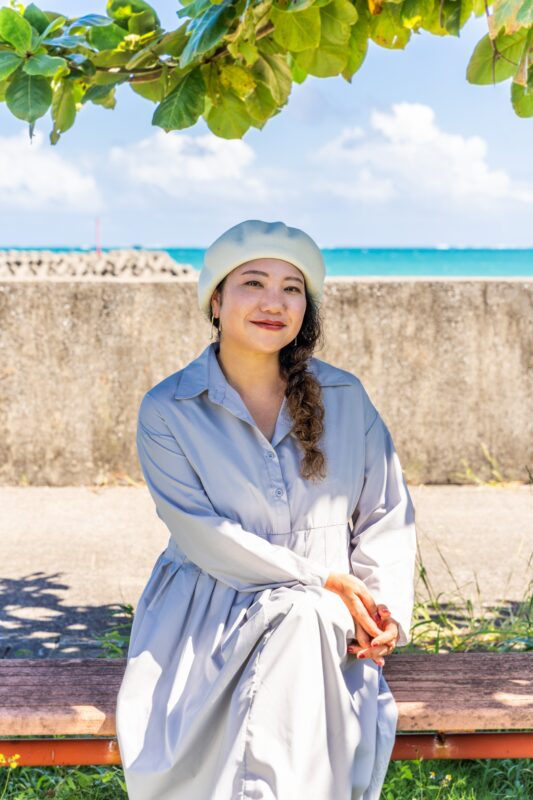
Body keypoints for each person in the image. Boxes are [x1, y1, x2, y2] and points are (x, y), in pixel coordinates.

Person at [115, 219, 417, 800]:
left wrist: (384, 611)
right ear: (216, 300)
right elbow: (204, 536)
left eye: (291, 288)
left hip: (331, 618)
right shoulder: (168, 408)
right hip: (210, 614)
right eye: (253, 282)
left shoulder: (346, 397)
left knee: (305, 617)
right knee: (303, 611)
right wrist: (322, 581)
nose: (274, 302)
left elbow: (387, 511)